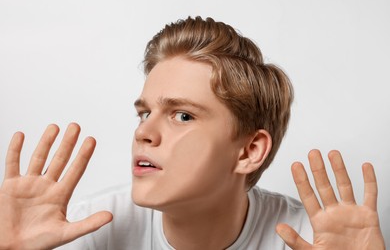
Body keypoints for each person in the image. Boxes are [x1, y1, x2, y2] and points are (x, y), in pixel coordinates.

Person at [0, 16, 385, 250]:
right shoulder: (86, 230)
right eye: (144, 113)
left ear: (249, 151)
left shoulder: (311, 239)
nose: (144, 133)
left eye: (182, 115)